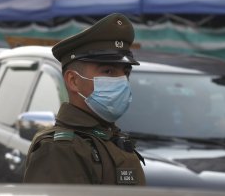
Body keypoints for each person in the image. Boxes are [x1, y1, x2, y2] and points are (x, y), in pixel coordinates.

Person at [23, 13, 146, 185]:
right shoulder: (60, 149)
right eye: (108, 71)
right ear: (73, 81)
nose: (122, 81)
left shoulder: (108, 136)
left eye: (125, 72)